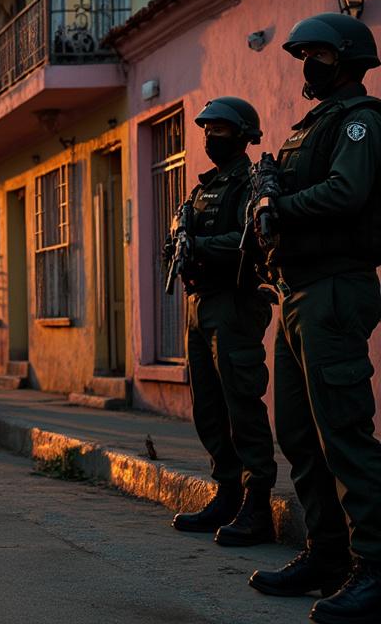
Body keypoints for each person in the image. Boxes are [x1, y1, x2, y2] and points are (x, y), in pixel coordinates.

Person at [246, 13, 381, 621]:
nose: (308, 65)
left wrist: (282, 204)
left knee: (345, 435)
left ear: (348, 59)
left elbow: (346, 193)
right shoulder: (313, 125)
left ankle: (376, 566)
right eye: (306, 56)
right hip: (298, 291)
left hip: (334, 288)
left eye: (320, 56)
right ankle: (326, 555)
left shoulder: (360, 121)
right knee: (298, 435)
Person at [167, 98, 277, 547]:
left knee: (241, 404)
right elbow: (189, 234)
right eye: (207, 129)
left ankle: (256, 503)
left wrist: (203, 245)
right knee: (208, 406)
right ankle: (227, 490)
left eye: (221, 129)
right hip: (201, 304)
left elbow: (248, 237)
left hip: (235, 304)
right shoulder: (202, 187)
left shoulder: (249, 182)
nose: (211, 137)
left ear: (244, 135)